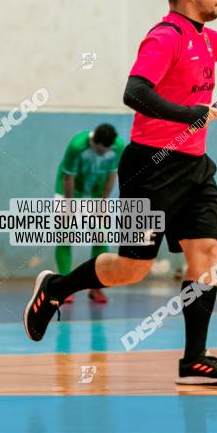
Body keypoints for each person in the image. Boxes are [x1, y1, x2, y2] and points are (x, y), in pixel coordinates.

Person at [24, 0, 217, 386]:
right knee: (132, 267)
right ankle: (56, 289)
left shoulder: (202, 36)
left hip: (195, 166)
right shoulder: (165, 37)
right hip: (150, 167)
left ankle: (194, 360)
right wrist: (189, 115)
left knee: (206, 254)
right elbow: (134, 92)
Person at [54, 124, 125, 304]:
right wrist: (68, 206)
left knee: (100, 236)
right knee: (65, 234)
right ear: (93, 142)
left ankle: (97, 287)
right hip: (70, 190)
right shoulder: (76, 146)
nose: (103, 154)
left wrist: (103, 203)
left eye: (106, 151)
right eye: (100, 151)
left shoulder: (118, 146)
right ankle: (65, 286)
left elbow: (112, 175)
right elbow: (68, 177)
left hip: (96, 191)